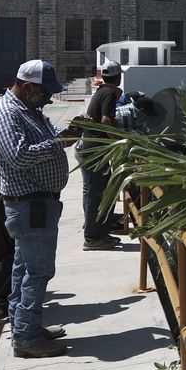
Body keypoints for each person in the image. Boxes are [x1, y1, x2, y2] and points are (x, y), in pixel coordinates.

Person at [0, 60, 83, 359]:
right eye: (45, 92)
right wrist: (59, 143)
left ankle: (24, 326)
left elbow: (48, 136)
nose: (49, 97)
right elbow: (17, 157)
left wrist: (69, 131)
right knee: (39, 271)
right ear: (29, 87)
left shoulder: (29, 110)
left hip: (38, 204)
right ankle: (26, 338)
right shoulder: (6, 114)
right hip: (30, 205)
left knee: (23, 270)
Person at [75, 60, 122, 251]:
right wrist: (120, 141)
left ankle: (96, 231)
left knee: (92, 192)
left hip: (89, 149)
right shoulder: (110, 92)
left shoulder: (101, 91)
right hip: (96, 152)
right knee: (98, 194)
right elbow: (106, 120)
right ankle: (93, 237)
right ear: (118, 77)